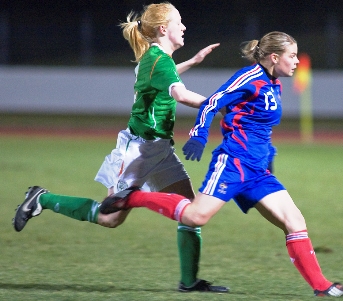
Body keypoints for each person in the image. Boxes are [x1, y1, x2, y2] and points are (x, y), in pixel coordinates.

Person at [99, 31, 343, 297]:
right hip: (234, 163)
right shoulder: (249, 78)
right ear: (274, 57)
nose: (296, 61)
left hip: (258, 171)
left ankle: (322, 287)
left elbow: (260, 127)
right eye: (291, 56)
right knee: (195, 216)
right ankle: (132, 197)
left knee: (295, 222)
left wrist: (268, 159)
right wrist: (199, 135)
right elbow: (213, 102)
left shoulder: (274, 84)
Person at [12, 2, 229, 293]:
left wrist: (192, 62)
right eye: (180, 22)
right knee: (110, 217)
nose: (184, 27)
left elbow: (162, 78)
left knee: (191, 212)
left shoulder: (153, 59)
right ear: (164, 29)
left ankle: (188, 282)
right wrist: (219, 105)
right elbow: (180, 93)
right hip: (137, 152)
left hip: (160, 150)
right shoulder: (158, 61)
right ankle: (42, 199)